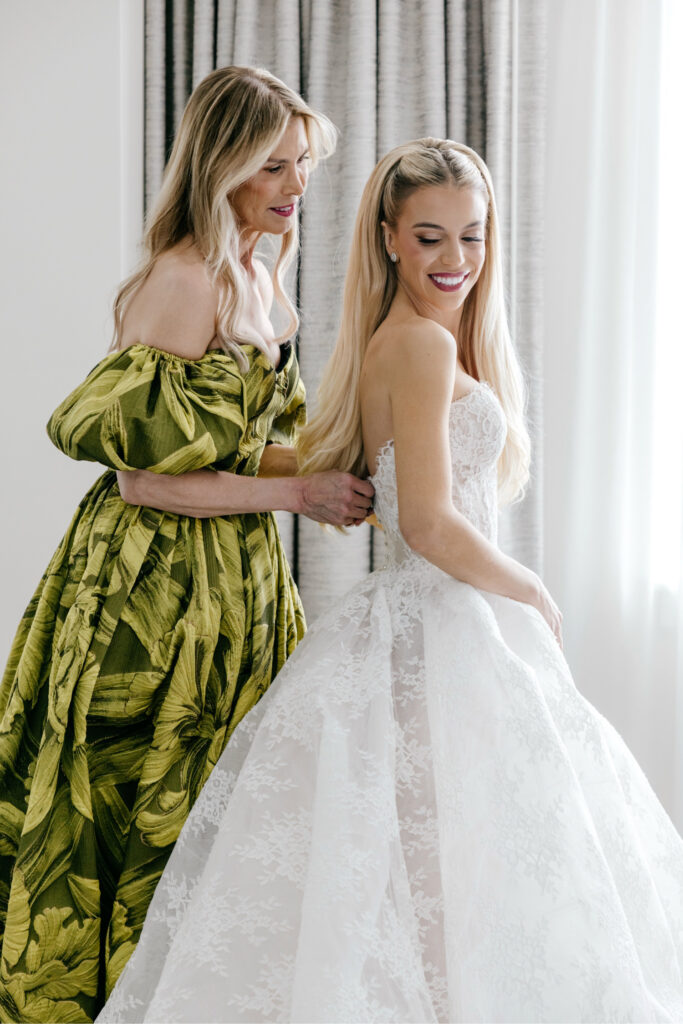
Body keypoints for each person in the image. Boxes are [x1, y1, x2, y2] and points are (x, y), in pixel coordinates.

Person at [99, 138, 683, 1023]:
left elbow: (378, 487)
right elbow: (427, 525)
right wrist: (530, 588)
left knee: (453, 870)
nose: (454, 260)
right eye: (428, 238)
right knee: (443, 870)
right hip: (441, 621)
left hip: (440, 625)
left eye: (472, 237)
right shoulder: (415, 347)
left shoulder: (419, 342)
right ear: (386, 238)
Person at [0, 66, 373, 1024]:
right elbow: (143, 477)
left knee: (227, 805)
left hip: (234, 581)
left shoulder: (260, 270)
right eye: (273, 167)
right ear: (221, 166)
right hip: (148, 592)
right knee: (135, 807)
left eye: (303, 167)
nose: (296, 187)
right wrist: (299, 490)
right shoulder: (182, 279)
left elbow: (239, 444)